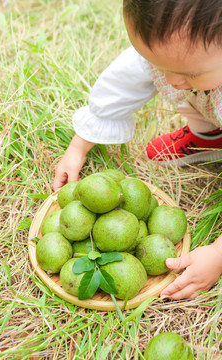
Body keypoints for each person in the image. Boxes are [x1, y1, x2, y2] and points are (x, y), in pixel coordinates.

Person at [53, 0, 222, 300]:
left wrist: (219, 254)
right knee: (194, 93)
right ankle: (209, 135)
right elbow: (121, 86)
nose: (170, 80)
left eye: (190, 73)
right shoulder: (185, 56)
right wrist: (79, 145)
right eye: (159, 65)